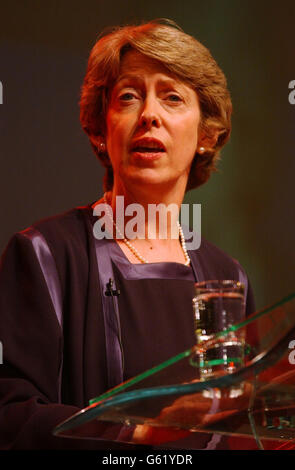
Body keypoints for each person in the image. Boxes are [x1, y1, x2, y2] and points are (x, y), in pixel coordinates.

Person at [0, 19, 255, 450]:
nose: (150, 115)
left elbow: (242, 426)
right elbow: (9, 415)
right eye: (129, 97)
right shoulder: (43, 254)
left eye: (172, 97)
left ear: (206, 136)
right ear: (101, 130)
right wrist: (140, 435)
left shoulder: (228, 277)